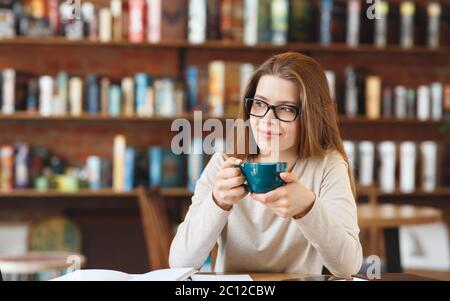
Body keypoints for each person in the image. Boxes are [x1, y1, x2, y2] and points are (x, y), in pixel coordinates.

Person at [169, 52, 362, 278]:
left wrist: (308, 208)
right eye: (260, 104)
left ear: (311, 115)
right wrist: (217, 202)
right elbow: (180, 262)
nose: (267, 120)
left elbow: (348, 267)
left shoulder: (327, 167)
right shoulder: (224, 163)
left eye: (286, 109)